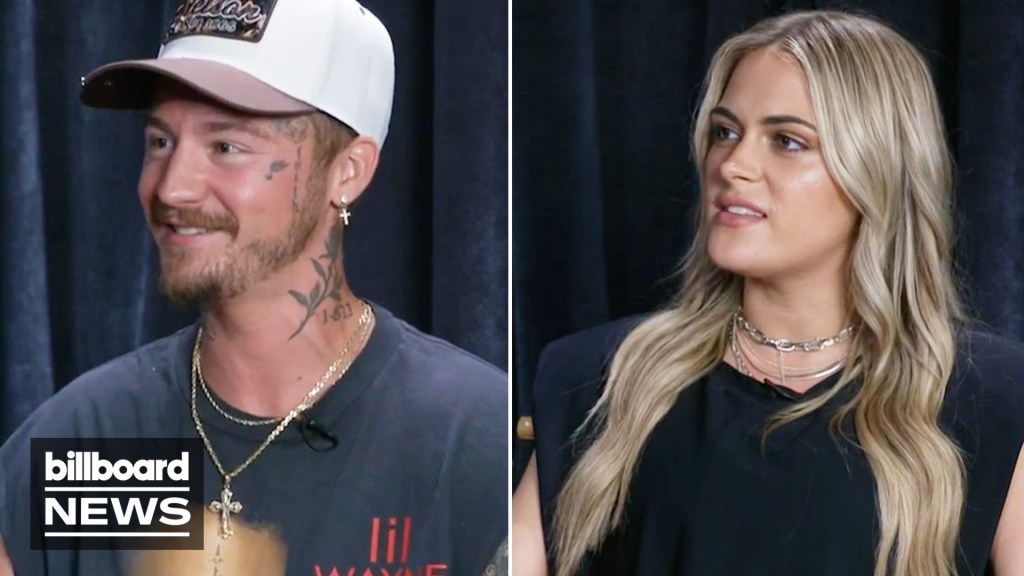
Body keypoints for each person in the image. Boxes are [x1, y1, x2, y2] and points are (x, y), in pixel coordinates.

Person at [0, 1, 507, 575]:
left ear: (347, 171)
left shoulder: (472, 440)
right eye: (160, 142)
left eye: (226, 147)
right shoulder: (82, 446)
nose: (173, 188)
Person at [512, 10, 1024, 576]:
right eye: (725, 132)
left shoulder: (991, 398)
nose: (733, 165)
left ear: (878, 171)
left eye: (786, 141)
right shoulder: (599, 379)